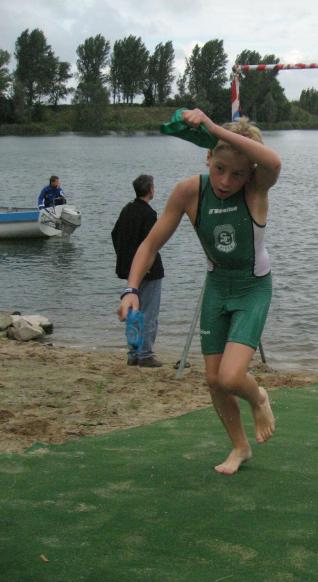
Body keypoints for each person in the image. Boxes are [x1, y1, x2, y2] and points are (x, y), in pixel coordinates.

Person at [117, 109, 281, 475]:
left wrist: (213, 127)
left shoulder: (256, 188)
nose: (225, 180)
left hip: (253, 288)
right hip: (217, 287)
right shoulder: (189, 191)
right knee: (213, 380)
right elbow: (150, 244)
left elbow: (273, 161)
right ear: (208, 157)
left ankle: (259, 397)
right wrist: (131, 288)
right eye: (219, 168)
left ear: (250, 174)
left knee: (231, 377)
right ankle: (240, 447)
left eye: (237, 173)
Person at [111, 174, 164, 368]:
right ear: (150, 190)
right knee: (148, 312)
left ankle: (133, 353)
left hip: (130, 268)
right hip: (149, 270)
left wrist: (124, 258)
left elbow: (115, 234)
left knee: (134, 312)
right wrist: (146, 266)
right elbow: (152, 243)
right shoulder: (149, 214)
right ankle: (145, 354)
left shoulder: (127, 209)